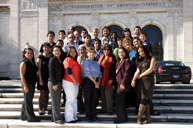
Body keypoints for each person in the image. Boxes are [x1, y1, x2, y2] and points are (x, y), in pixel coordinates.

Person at [131, 44, 156, 125]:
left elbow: (151, 69)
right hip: (140, 82)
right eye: (139, 52)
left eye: (142, 51)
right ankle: (148, 118)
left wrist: (141, 75)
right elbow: (137, 71)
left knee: (144, 99)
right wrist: (133, 79)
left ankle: (139, 118)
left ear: (145, 50)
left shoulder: (152, 58)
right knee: (144, 99)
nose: (141, 53)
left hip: (148, 81)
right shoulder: (139, 61)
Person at [82, 47, 102, 122]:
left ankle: (94, 115)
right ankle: (88, 116)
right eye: (90, 52)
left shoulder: (96, 63)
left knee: (95, 99)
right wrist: (95, 82)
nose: (92, 54)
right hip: (88, 81)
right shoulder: (85, 62)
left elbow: (100, 73)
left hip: (96, 82)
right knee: (88, 99)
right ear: (87, 53)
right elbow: (87, 72)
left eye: (93, 52)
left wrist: (98, 82)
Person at [20, 47, 40, 122]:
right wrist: (25, 86)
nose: (29, 54)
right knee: (28, 100)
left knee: (27, 99)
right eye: (27, 53)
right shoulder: (24, 63)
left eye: (31, 53)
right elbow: (22, 75)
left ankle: (23, 116)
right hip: (27, 83)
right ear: (24, 54)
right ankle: (30, 117)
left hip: (32, 83)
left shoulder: (32, 62)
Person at [62, 46, 82, 123]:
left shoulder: (74, 60)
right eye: (71, 51)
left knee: (74, 100)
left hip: (75, 83)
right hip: (69, 82)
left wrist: (78, 82)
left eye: (74, 51)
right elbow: (68, 70)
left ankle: (74, 116)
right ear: (68, 52)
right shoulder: (68, 59)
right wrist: (75, 81)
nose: (73, 53)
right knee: (70, 100)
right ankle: (69, 118)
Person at [114, 47, 132, 124]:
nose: (121, 54)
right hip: (118, 84)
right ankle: (124, 117)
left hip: (122, 84)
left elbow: (126, 73)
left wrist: (123, 83)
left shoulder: (127, 61)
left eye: (122, 52)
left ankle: (120, 118)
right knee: (121, 102)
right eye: (119, 52)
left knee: (118, 101)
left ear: (125, 53)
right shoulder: (118, 62)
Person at [98, 44, 116, 115]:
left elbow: (114, 69)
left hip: (109, 79)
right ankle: (104, 108)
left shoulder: (112, 57)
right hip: (101, 79)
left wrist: (111, 78)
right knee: (103, 95)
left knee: (109, 95)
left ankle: (109, 110)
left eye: (108, 49)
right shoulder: (101, 57)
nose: (106, 51)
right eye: (105, 49)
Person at [48, 45, 64, 124]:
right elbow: (51, 72)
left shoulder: (59, 60)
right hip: (53, 82)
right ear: (53, 52)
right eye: (55, 51)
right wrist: (54, 83)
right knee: (55, 101)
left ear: (60, 52)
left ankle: (53, 117)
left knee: (56, 100)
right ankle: (57, 118)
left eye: (58, 50)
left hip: (58, 82)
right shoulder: (53, 59)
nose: (57, 52)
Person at [37, 43, 51, 115]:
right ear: (42, 48)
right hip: (42, 77)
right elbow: (39, 69)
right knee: (42, 94)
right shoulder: (40, 57)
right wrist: (40, 79)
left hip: (49, 78)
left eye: (47, 47)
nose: (46, 49)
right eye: (45, 47)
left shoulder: (51, 57)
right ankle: (40, 108)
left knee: (47, 94)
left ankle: (45, 108)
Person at [55, 40, 67, 107]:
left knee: (65, 90)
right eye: (59, 43)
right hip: (56, 76)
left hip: (63, 74)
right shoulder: (53, 55)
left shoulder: (64, 54)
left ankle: (64, 102)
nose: (60, 45)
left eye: (61, 44)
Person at [77, 44, 87, 114]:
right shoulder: (77, 58)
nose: (82, 51)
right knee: (79, 95)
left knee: (86, 95)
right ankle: (80, 109)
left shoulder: (89, 58)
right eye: (80, 50)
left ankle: (87, 108)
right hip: (79, 78)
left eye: (83, 49)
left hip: (87, 79)